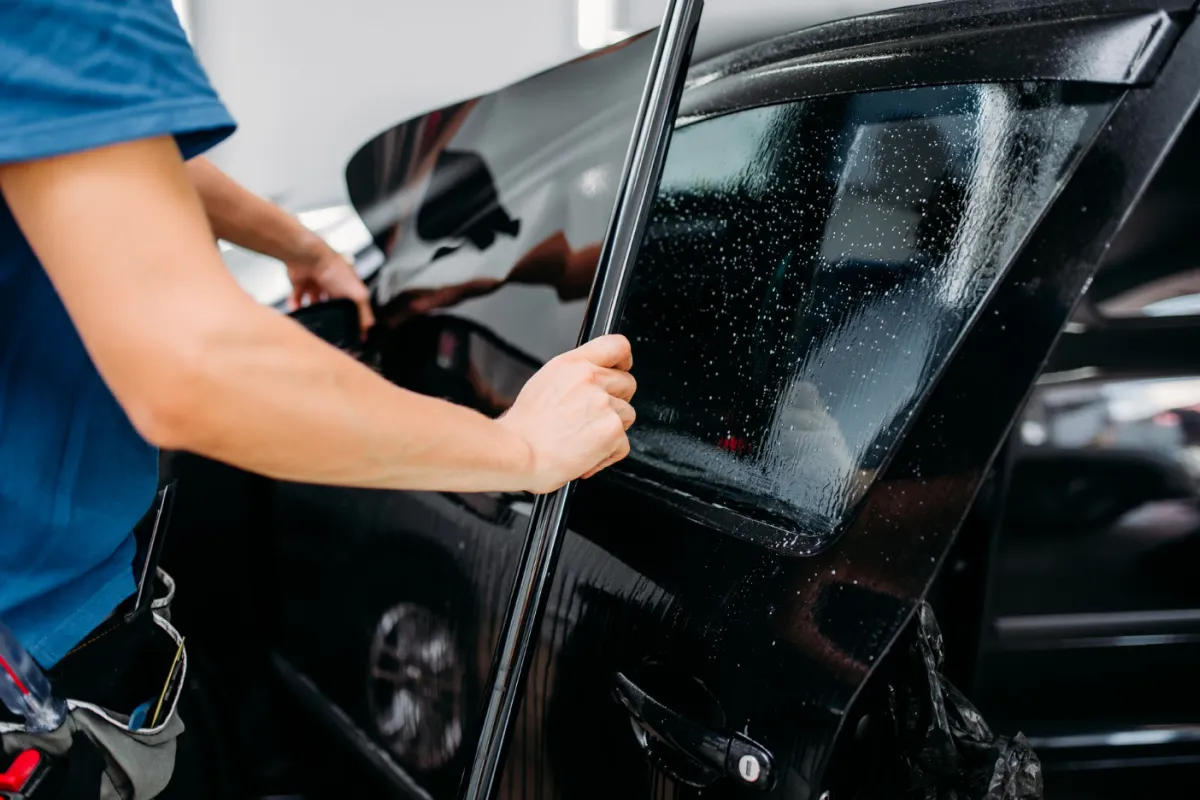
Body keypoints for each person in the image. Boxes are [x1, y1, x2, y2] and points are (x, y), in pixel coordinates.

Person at [0, 0, 635, 792]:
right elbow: (194, 366)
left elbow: (95, 145)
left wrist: (298, 245)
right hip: (34, 676)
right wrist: (521, 449)